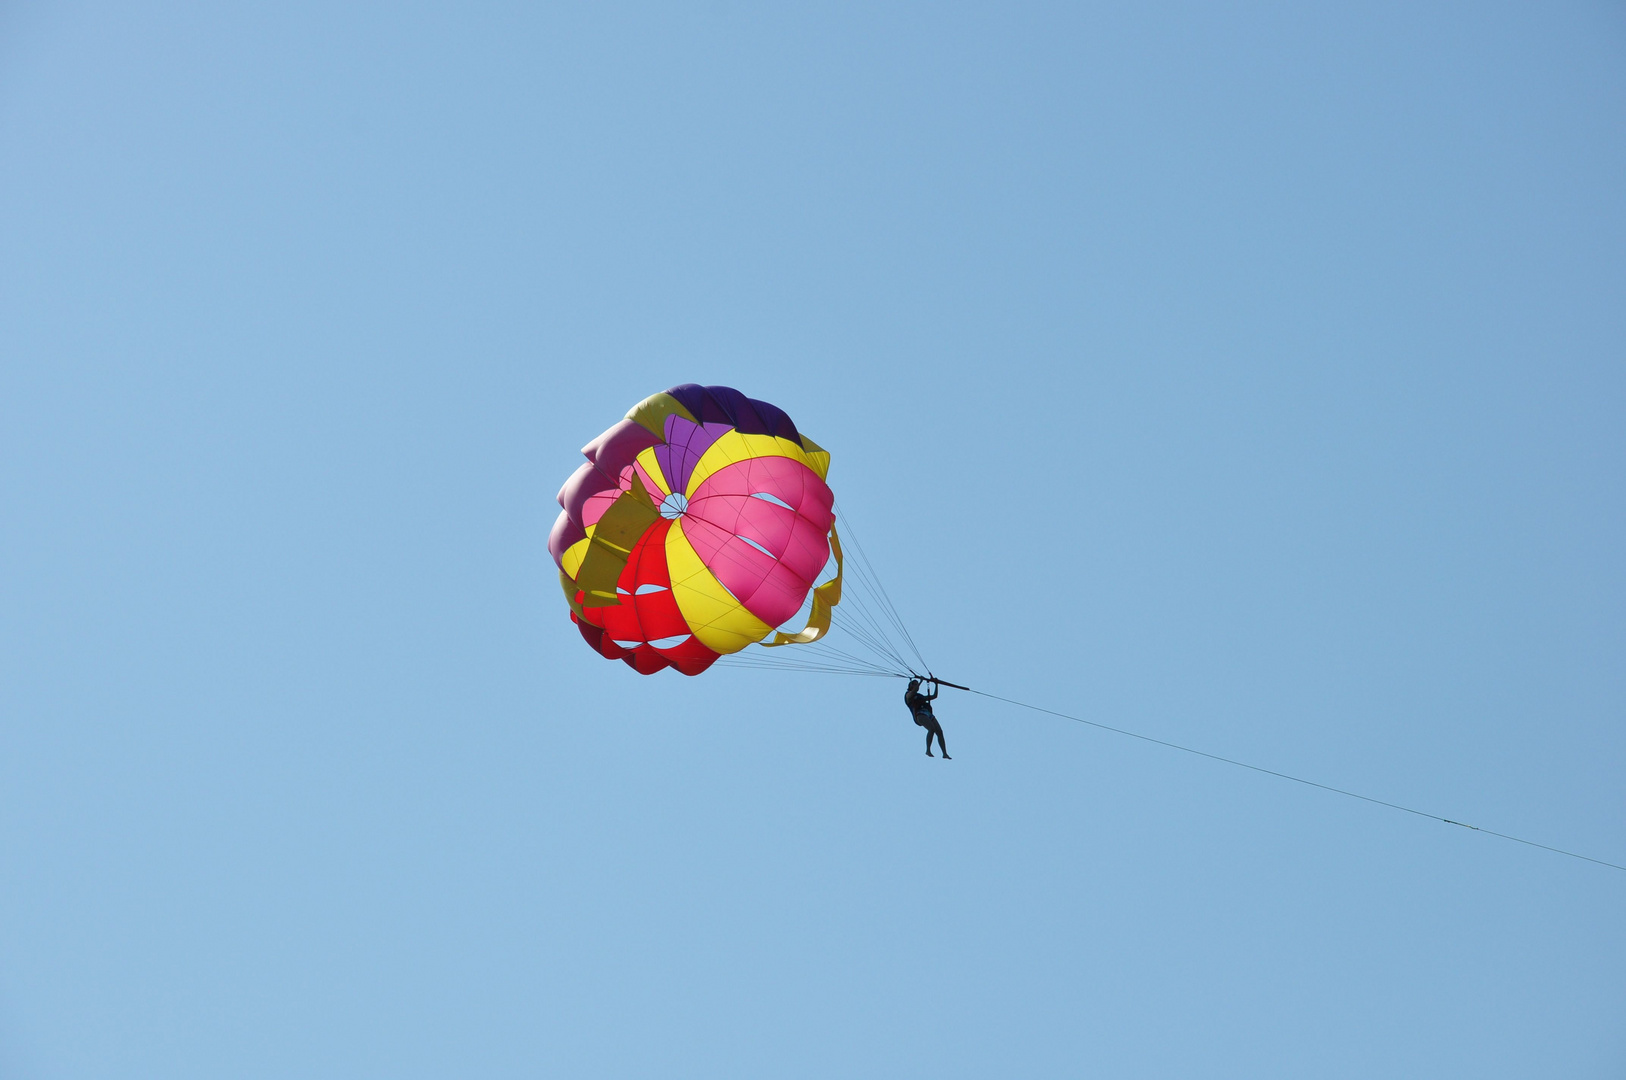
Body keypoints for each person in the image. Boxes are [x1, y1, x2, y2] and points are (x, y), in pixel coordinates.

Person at [904, 678, 950, 759]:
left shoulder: (920, 696)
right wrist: (921, 681)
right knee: (931, 729)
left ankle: (944, 753)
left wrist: (936, 684)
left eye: (917, 684)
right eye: (915, 684)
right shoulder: (908, 695)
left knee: (939, 731)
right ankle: (928, 750)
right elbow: (912, 693)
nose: (917, 686)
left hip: (928, 714)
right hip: (919, 714)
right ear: (911, 686)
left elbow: (934, 696)